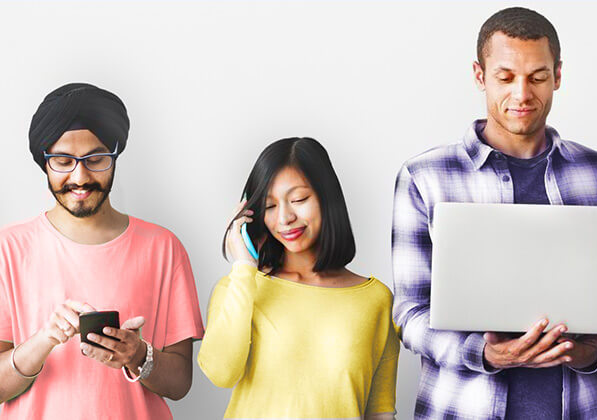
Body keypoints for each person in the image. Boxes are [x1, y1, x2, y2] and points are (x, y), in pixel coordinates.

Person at [391, 7, 597, 419]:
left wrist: (590, 353)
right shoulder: (425, 177)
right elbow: (410, 312)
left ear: (558, 75)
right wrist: (486, 354)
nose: (522, 95)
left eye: (538, 77)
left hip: (577, 408)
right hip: (460, 408)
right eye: (505, 78)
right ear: (480, 76)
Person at [0, 83, 205, 418]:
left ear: (114, 155)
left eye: (95, 159)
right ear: (45, 162)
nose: (79, 177)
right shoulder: (7, 249)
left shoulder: (163, 248)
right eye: (63, 161)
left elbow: (180, 384)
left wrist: (137, 355)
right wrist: (43, 340)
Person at [198, 137, 399, 419]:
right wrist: (244, 267)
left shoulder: (375, 299)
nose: (284, 218)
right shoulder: (238, 286)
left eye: (298, 200)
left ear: (326, 198)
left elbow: (380, 412)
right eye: (269, 206)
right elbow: (220, 372)